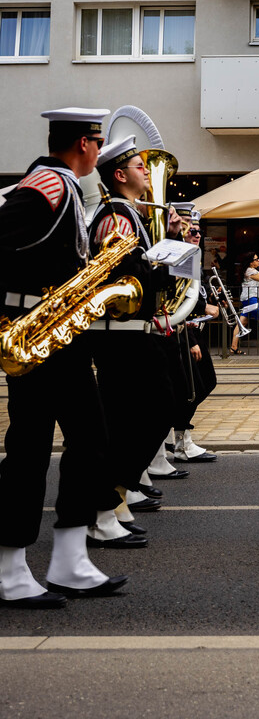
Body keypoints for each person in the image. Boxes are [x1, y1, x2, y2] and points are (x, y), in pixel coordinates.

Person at [0, 107, 128, 607]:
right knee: (29, 450)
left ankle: (69, 561)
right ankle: (11, 571)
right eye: (98, 141)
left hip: (56, 337)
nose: (99, 150)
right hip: (37, 335)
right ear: (85, 144)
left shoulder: (67, 190)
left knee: (89, 441)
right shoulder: (48, 186)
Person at [87, 136, 185, 535]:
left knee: (134, 417)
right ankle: (105, 501)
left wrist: (171, 244)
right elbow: (126, 276)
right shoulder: (116, 216)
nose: (146, 170)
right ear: (119, 174)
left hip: (128, 334)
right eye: (139, 165)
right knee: (152, 411)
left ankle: (114, 499)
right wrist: (169, 267)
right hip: (120, 335)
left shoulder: (129, 215)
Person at [171, 218, 219, 463]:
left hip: (194, 330)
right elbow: (177, 301)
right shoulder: (180, 258)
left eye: (200, 232)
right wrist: (191, 339)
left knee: (205, 383)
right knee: (194, 388)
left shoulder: (193, 257)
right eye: (192, 231)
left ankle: (178, 436)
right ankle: (180, 440)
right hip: (184, 331)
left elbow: (194, 294)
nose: (197, 235)